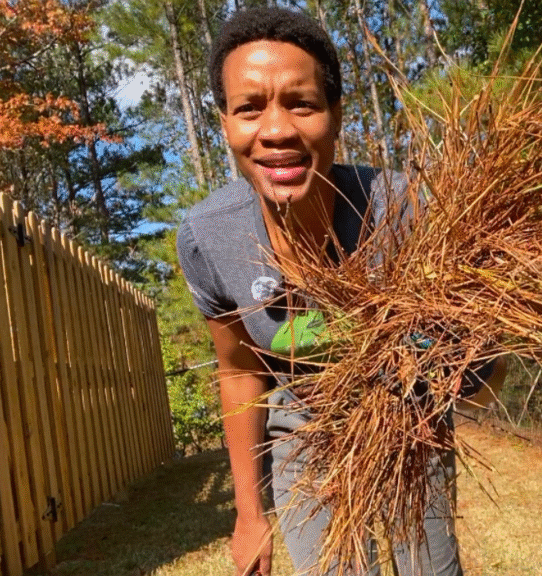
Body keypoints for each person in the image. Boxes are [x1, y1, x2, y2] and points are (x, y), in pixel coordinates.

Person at [177, 7, 499, 576]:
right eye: (249, 107)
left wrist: (482, 345)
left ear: (336, 115)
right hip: (303, 426)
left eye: (301, 103)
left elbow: (478, 384)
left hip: (410, 426)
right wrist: (250, 513)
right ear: (225, 124)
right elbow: (240, 372)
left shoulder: (412, 213)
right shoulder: (211, 238)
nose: (276, 130)